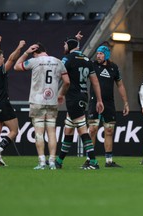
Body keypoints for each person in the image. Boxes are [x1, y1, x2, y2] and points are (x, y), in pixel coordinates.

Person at [14, 43, 70, 170]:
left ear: (35, 52)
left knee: (39, 133)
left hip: (37, 101)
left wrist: (26, 52)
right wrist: (61, 94)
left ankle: (42, 162)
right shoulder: (58, 61)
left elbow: (16, 67)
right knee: (51, 132)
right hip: (52, 101)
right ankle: (52, 162)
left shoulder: (34, 61)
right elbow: (67, 82)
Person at [54, 33, 104, 170]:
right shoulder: (87, 59)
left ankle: (93, 162)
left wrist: (61, 93)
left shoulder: (67, 59)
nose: (64, 47)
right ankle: (59, 161)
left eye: (65, 45)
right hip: (83, 96)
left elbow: (60, 75)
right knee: (68, 130)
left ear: (69, 46)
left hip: (73, 97)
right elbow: (95, 82)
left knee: (82, 130)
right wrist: (99, 100)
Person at [85, 43, 129, 168]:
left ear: (107, 55)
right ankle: (90, 159)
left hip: (109, 103)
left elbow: (120, 85)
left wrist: (125, 102)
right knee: (92, 130)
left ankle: (109, 161)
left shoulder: (114, 68)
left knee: (109, 131)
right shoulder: (92, 65)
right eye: (97, 53)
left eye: (101, 53)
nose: (98, 56)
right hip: (94, 101)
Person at [0, 35, 25, 166]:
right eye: (1, 57)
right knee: (14, 131)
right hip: (3, 104)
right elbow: (12, 59)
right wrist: (19, 47)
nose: (3, 58)